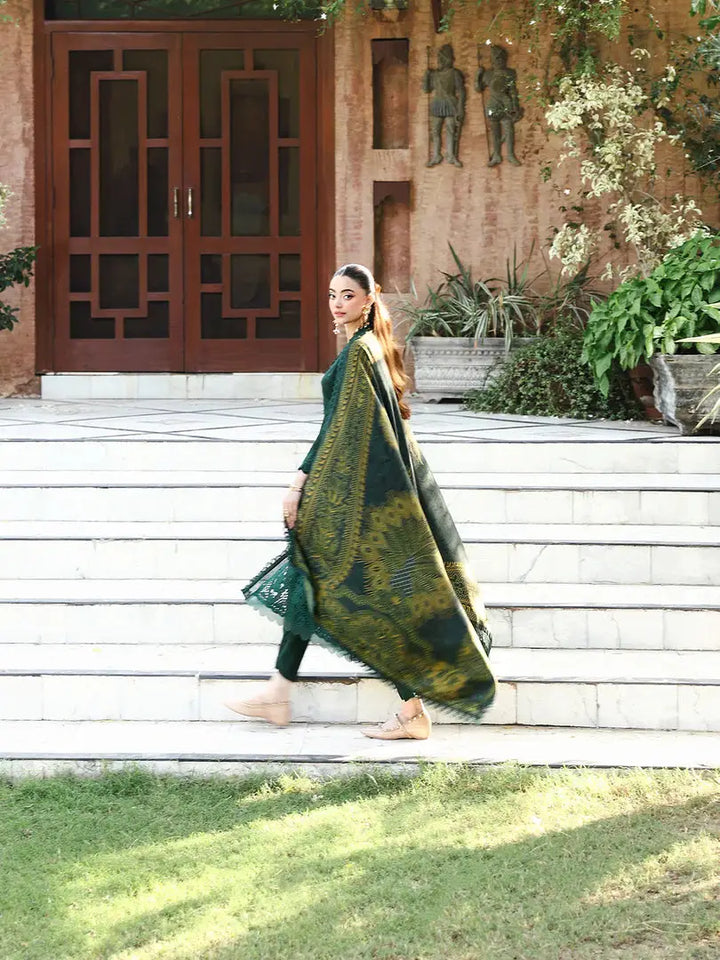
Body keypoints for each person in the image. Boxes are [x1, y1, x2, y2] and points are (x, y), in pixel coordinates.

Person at [226, 264, 495, 740]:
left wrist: (299, 484)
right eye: (332, 294)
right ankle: (281, 692)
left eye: (347, 295)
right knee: (320, 584)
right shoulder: (368, 349)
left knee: (349, 591)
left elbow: (339, 430)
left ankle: (302, 695)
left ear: (368, 301)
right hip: (370, 495)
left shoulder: (359, 354)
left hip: (361, 499)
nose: (336, 303)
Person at [423, 44, 466, 168]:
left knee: (450, 129)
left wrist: (460, 108)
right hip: (437, 103)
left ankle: (451, 155)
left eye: (443, 58)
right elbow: (426, 90)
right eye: (440, 58)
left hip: (450, 103)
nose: (441, 61)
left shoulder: (454, 73)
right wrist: (426, 76)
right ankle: (436, 155)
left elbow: (462, 91)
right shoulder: (434, 74)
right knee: (435, 131)